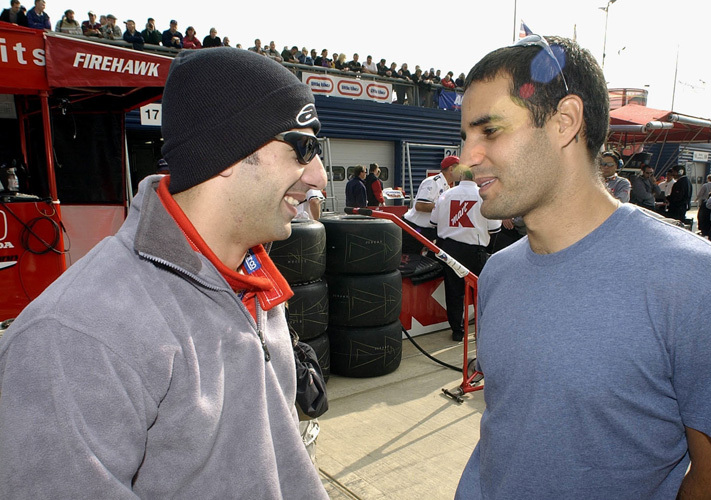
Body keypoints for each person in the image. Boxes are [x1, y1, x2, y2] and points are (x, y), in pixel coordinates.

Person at [0, 47, 329, 498]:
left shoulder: (255, 283)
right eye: (303, 148)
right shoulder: (75, 335)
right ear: (226, 152)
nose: (319, 177)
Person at [456, 35, 711, 499]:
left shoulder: (698, 283)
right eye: (464, 136)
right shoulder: (499, 273)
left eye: (489, 130)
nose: (467, 159)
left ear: (565, 122)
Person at [430, 165, 500, 341]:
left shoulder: (446, 195)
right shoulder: (484, 195)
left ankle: (457, 330)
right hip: (475, 249)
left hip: (449, 249)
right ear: (476, 177)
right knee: (479, 291)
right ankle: (481, 330)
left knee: (454, 291)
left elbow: (433, 221)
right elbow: (495, 227)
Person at [402, 155, 457, 252]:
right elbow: (420, 205)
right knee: (409, 263)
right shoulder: (433, 182)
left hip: (426, 230)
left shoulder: (446, 187)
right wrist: (446, 207)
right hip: (414, 229)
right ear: (451, 169)